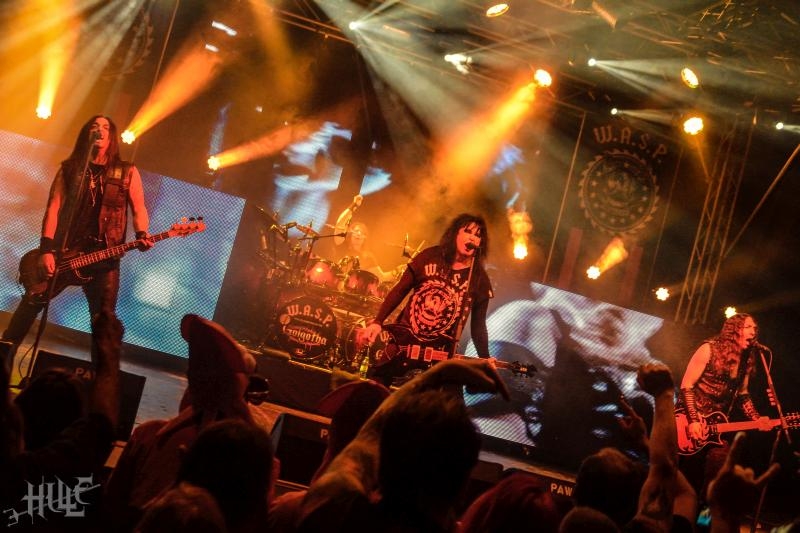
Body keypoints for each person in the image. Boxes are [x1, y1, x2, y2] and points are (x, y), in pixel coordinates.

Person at [1, 114, 152, 380]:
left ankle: (101, 386)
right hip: (64, 253)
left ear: (112, 137)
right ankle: (2, 366)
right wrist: (46, 250)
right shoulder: (70, 169)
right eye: (95, 126)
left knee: (103, 323)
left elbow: (139, 207)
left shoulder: (127, 171)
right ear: (86, 134)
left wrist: (142, 233)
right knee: (29, 306)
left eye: (105, 128)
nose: (100, 131)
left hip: (103, 259)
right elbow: (53, 208)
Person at [357, 213, 493, 386]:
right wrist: (378, 322)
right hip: (403, 342)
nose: (472, 238)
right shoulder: (430, 256)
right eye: (468, 231)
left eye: (478, 235)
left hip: (438, 353)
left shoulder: (479, 279)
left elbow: (478, 326)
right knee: (375, 387)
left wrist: (485, 358)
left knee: (430, 399)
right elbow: (400, 290)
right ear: (455, 233)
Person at [677, 313, 774, 501]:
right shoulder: (709, 349)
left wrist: (757, 418)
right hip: (690, 421)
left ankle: (707, 511)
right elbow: (687, 385)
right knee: (687, 474)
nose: (753, 332)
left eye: (755, 328)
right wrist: (694, 420)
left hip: (717, 427)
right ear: (734, 330)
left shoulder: (746, 359)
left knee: (720, 470)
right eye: (748, 327)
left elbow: (743, 394)